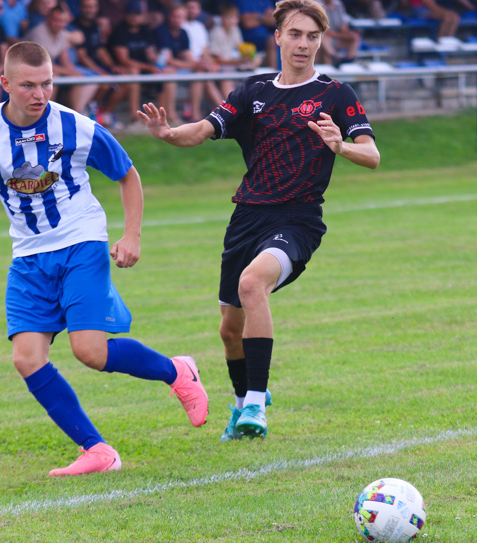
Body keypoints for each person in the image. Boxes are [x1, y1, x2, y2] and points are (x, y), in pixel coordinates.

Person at [0, 41, 209, 477]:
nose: (39, 94)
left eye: (47, 84)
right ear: (5, 84)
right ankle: (97, 450)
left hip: (82, 241)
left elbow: (127, 174)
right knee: (26, 358)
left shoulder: (77, 127)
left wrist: (131, 234)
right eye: (27, 85)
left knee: (90, 352)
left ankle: (176, 372)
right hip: (28, 255)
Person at [137, 0, 378, 441]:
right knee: (230, 330)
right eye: (296, 34)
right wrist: (169, 134)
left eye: (313, 36)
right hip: (247, 217)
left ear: (321, 41)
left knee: (253, 284)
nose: (304, 44)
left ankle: (256, 405)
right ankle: (241, 403)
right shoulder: (252, 91)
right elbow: (205, 129)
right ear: (279, 38)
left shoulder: (335, 94)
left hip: (298, 218)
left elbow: (372, 154)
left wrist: (340, 145)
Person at [25, 5, 100, 113]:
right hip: (29, 69)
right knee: (53, 77)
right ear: (48, 19)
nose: (60, 24)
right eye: (57, 20)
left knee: (81, 77)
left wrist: (73, 73)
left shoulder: (63, 34)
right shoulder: (38, 33)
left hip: (47, 69)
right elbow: (42, 64)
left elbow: (65, 61)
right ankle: (45, 114)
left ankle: (76, 114)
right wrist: (70, 73)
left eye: (63, 21)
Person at [209, 3, 260, 96]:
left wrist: (250, 57)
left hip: (234, 66)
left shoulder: (235, 29)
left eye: (234, 18)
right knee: (227, 79)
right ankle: (230, 107)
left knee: (255, 65)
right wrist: (240, 61)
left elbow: (241, 48)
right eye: (229, 18)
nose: (232, 21)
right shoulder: (216, 32)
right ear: (222, 18)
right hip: (220, 68)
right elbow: (217, 60)